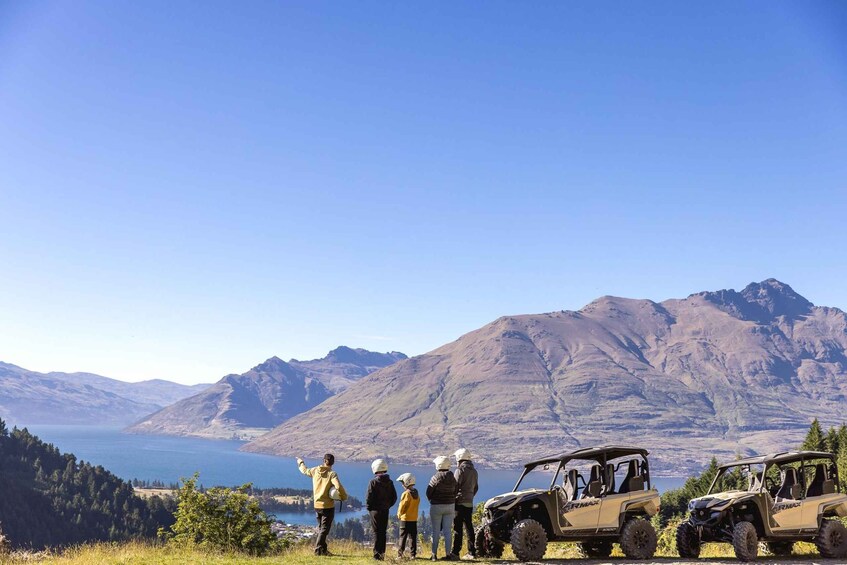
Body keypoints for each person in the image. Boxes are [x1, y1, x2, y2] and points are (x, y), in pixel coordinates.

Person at [297, 454, 348, 556]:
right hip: (328, 507)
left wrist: (300, 462)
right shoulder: (332, 474)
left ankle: (323, 551)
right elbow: (338, 486)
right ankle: (317, 550)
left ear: (324, 461)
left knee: (321, 529)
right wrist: (343, 497)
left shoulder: (315, 470)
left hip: (317, 506)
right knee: (324, 530)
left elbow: (304, 470)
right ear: (333, 463)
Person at [427, 455, 458, 561]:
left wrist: (432, 500)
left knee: (435, 531)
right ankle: (448, 554)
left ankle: (434, 554)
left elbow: (429, 492)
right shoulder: (453, 478)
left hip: (436, 506)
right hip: (450, 506)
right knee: (448, 531)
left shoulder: (435, 477)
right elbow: (456, 491)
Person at [366, 458, 397, 561]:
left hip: (375, 511)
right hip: (385, 510)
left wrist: (369, 508)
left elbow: (369, 498)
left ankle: (376, 555)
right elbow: (394, 497)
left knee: (376, 532)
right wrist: (387, 505)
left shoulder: (373, 482)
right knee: (383, 532)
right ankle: (382, 555)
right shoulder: (390, 482)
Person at [452, 448, 479, 559]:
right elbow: (476, 487)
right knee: (469, 527)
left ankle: (455, 552)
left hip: (459, 503)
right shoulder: (474, 471)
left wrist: (454, 498)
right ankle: (472, 552)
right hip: (469, 502)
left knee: (458, 528)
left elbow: (455, 486)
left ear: (459, 458)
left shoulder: (460, 470)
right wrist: (470, 496)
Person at [396, 472, 420, 559]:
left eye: (402, 483)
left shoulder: (406, 494)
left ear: (406, 483)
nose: (402, 485)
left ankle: (400, 555)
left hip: (405, 519)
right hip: (413, 519)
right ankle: (413, 555)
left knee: (403, 537)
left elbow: (402, 505)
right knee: (412, 537)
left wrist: (399, 514)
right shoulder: (416, 493)